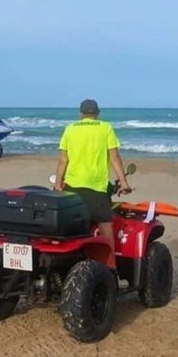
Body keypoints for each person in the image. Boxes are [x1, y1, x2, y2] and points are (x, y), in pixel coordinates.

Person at [54, 99, 131, 255]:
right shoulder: (105, 128)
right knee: (105, 227)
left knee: (72, 228)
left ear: (81, 114)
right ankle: (110, 266)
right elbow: (114, 157)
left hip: (72, 188)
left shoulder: (70, 129)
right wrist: (123, 182)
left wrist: (58, 183)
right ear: (97, 113)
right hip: (96, 188)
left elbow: (63, 160)